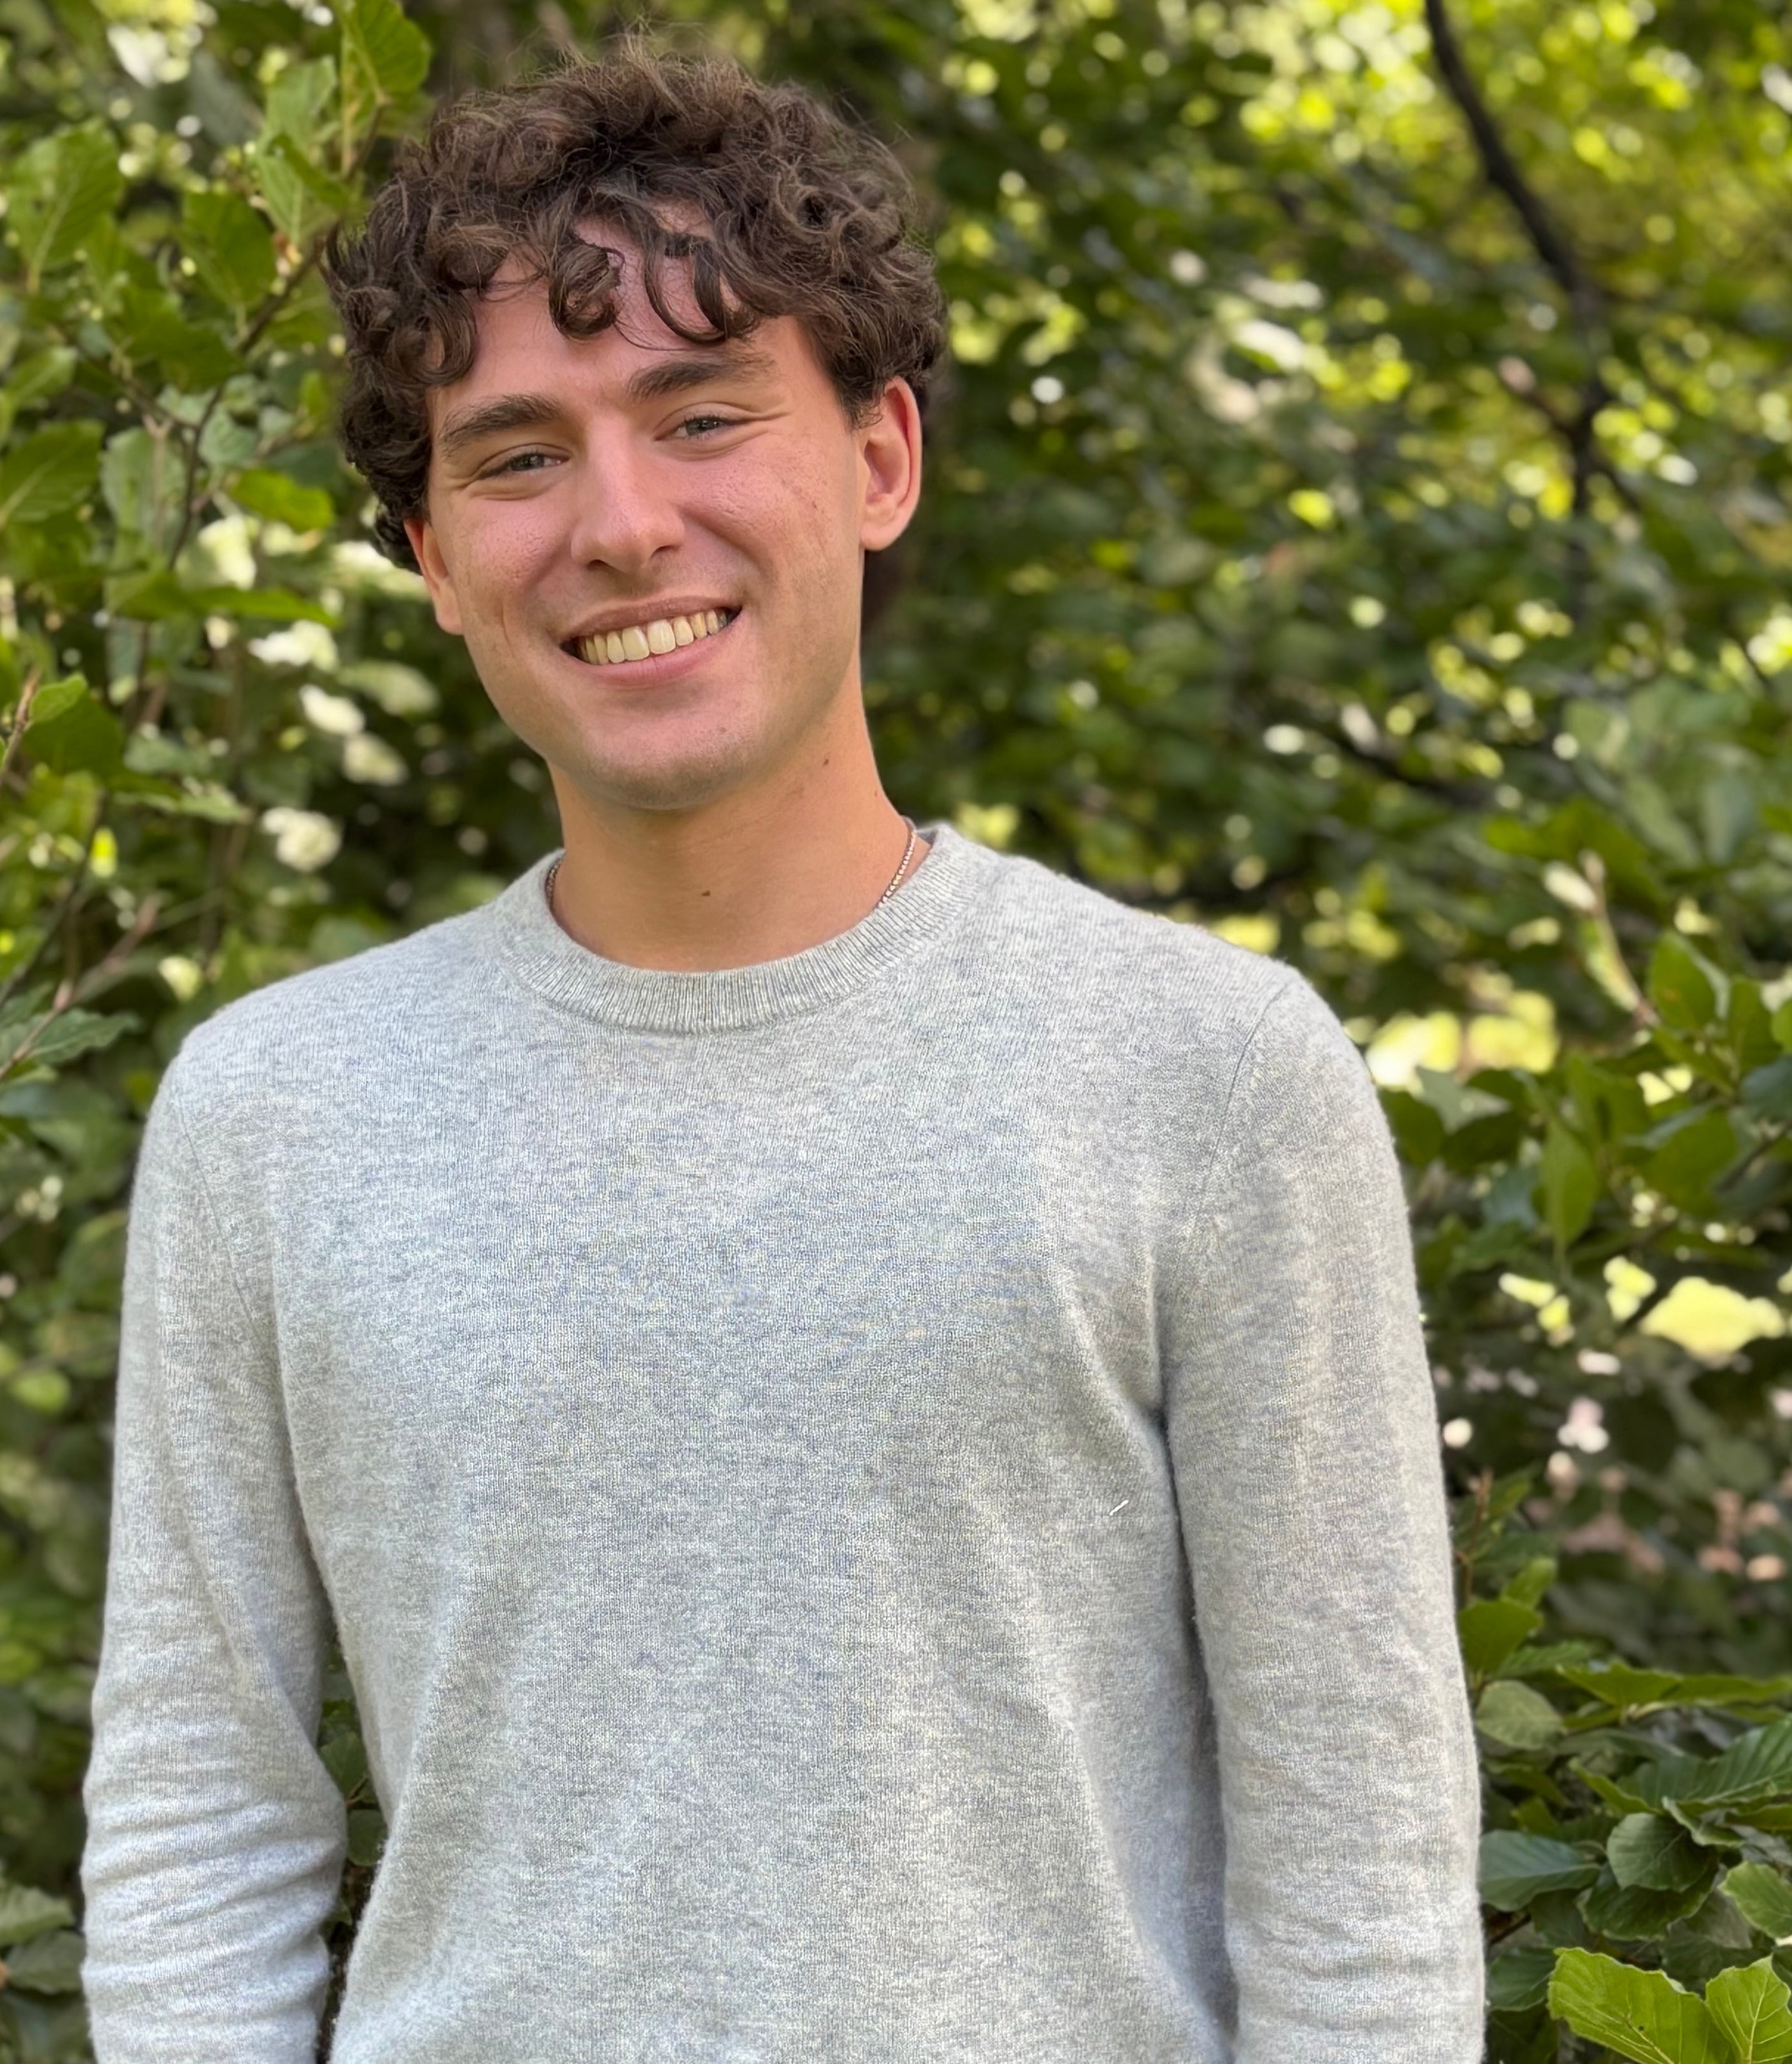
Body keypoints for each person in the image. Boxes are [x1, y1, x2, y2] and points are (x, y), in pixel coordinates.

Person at [78, 43, 1484, 2064]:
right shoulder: (275, 1113)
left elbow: (1357, 1867)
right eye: (516, 456)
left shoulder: (1203, 1070)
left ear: (880, 457)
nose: (623, 525)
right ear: (428, 554)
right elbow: (200, 1820)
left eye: (703, 412)